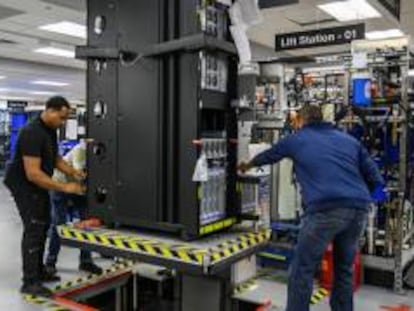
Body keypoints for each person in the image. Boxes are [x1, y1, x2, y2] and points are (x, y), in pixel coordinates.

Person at [238, 104, 386, 311]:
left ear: (301, 120)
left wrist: (245, 165)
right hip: (358, 209)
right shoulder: (348, 140)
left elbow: (269, 155)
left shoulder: (297, 139)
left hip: (325, 210)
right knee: (343, 270)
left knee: (302, 270)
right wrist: (376, 191)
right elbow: (371, 170)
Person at [4, 96, 85, 297]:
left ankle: (39, 271)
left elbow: (55, 157)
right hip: (24, 184)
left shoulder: (50, 130)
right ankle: (30, 281)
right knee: (34, 228)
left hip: (36, 183)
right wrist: (65, 188)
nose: (63, 122)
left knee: (44, 224)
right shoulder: (31, 132)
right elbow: (33, 173)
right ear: (49, 110)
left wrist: (73, 171)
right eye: (62, 117)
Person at [45, 139, 102, 276]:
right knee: (59, 224)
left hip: (79, 189)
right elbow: (77, 174)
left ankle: (86, 261)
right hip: (61, 185)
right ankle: (50, 262)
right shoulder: (80, 150)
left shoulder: (98, 152)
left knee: (86, 223)